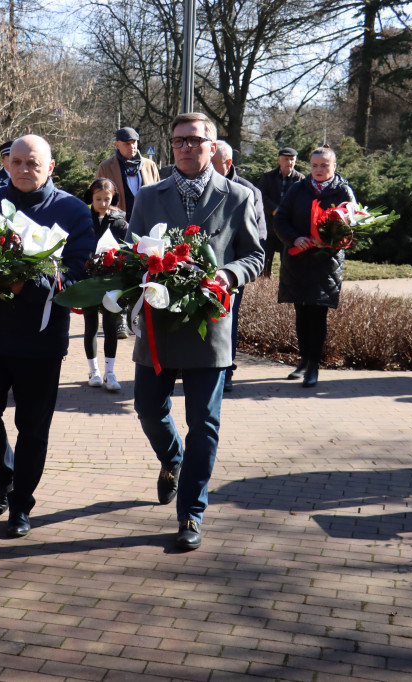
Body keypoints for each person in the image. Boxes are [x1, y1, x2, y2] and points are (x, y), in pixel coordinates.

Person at [128, 113, 263, 551]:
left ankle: (191, 512)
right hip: (159, 325)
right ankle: (172, 458)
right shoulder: (149, 197)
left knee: (203, 423)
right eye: (178, 141)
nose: (185, 147)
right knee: (149, 408)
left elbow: (256, 257)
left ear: (212, 145)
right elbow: (132, 253)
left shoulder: (239, 197)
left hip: (210, 325)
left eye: (194, 140)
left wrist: (228, 273)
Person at [0, 134, 95, 538]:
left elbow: (78, 275)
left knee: (32, 427)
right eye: (16, 161)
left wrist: (29, 285)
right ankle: (7, 477)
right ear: (6, 164)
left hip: (40, 341)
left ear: (49, 167)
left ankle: (21, 504)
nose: (23, 169)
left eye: (33, 163)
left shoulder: (72, 211)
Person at [272, 146, 356, 388]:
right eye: (315, 165)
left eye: (324, 165)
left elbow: (353, 225)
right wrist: (294, 238)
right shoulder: (298, 188)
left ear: (334, 167)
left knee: (317, 315)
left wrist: (329, 241)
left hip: (325, 263)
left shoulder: (343, 191)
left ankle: (313, 367)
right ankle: (303, 360)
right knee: (301, 313)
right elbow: (280, 219)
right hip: (298, 260)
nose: (319, 170)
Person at [211, 140, 265, 393]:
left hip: (230, 271)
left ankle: (226, 369)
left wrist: (234, 270)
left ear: (228, 163)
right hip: (198, 267)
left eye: (214, 164)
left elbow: (258, 236)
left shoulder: (246, 191)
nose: (207, 169)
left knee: (226, 319)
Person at [83, 177, 129, 391]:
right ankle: (93, 370)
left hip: (112, 279)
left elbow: (128, 248)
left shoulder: (120, 221)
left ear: (114, 198)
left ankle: (110, 371)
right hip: (89, 280)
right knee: (90, 325)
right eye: (98, 199)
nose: (102, 203)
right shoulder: (84, 218)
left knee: (111, 325)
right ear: (91, 198)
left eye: (106, 199)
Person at [258, 148, 304, 277]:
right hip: (269, 225)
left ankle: (286, 286)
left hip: (289, 226)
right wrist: (274, 209)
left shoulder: (300, 180)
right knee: (265, 260)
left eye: (292, 160)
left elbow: (301, 201)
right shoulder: (268, 177)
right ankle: (264, 286)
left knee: (288, 261)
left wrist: (285, 213)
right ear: (279, 160)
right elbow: (261, 196)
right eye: (286, 159)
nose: (289, 162)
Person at [96, 127, 160, 218]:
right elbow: (98, 199)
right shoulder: (105, 168)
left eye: (134, 142)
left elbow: (158, 196)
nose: (132, 147)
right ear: (117, 145)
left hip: (147, 222)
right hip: (118, 224)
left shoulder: (150, 166)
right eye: (127, 144)